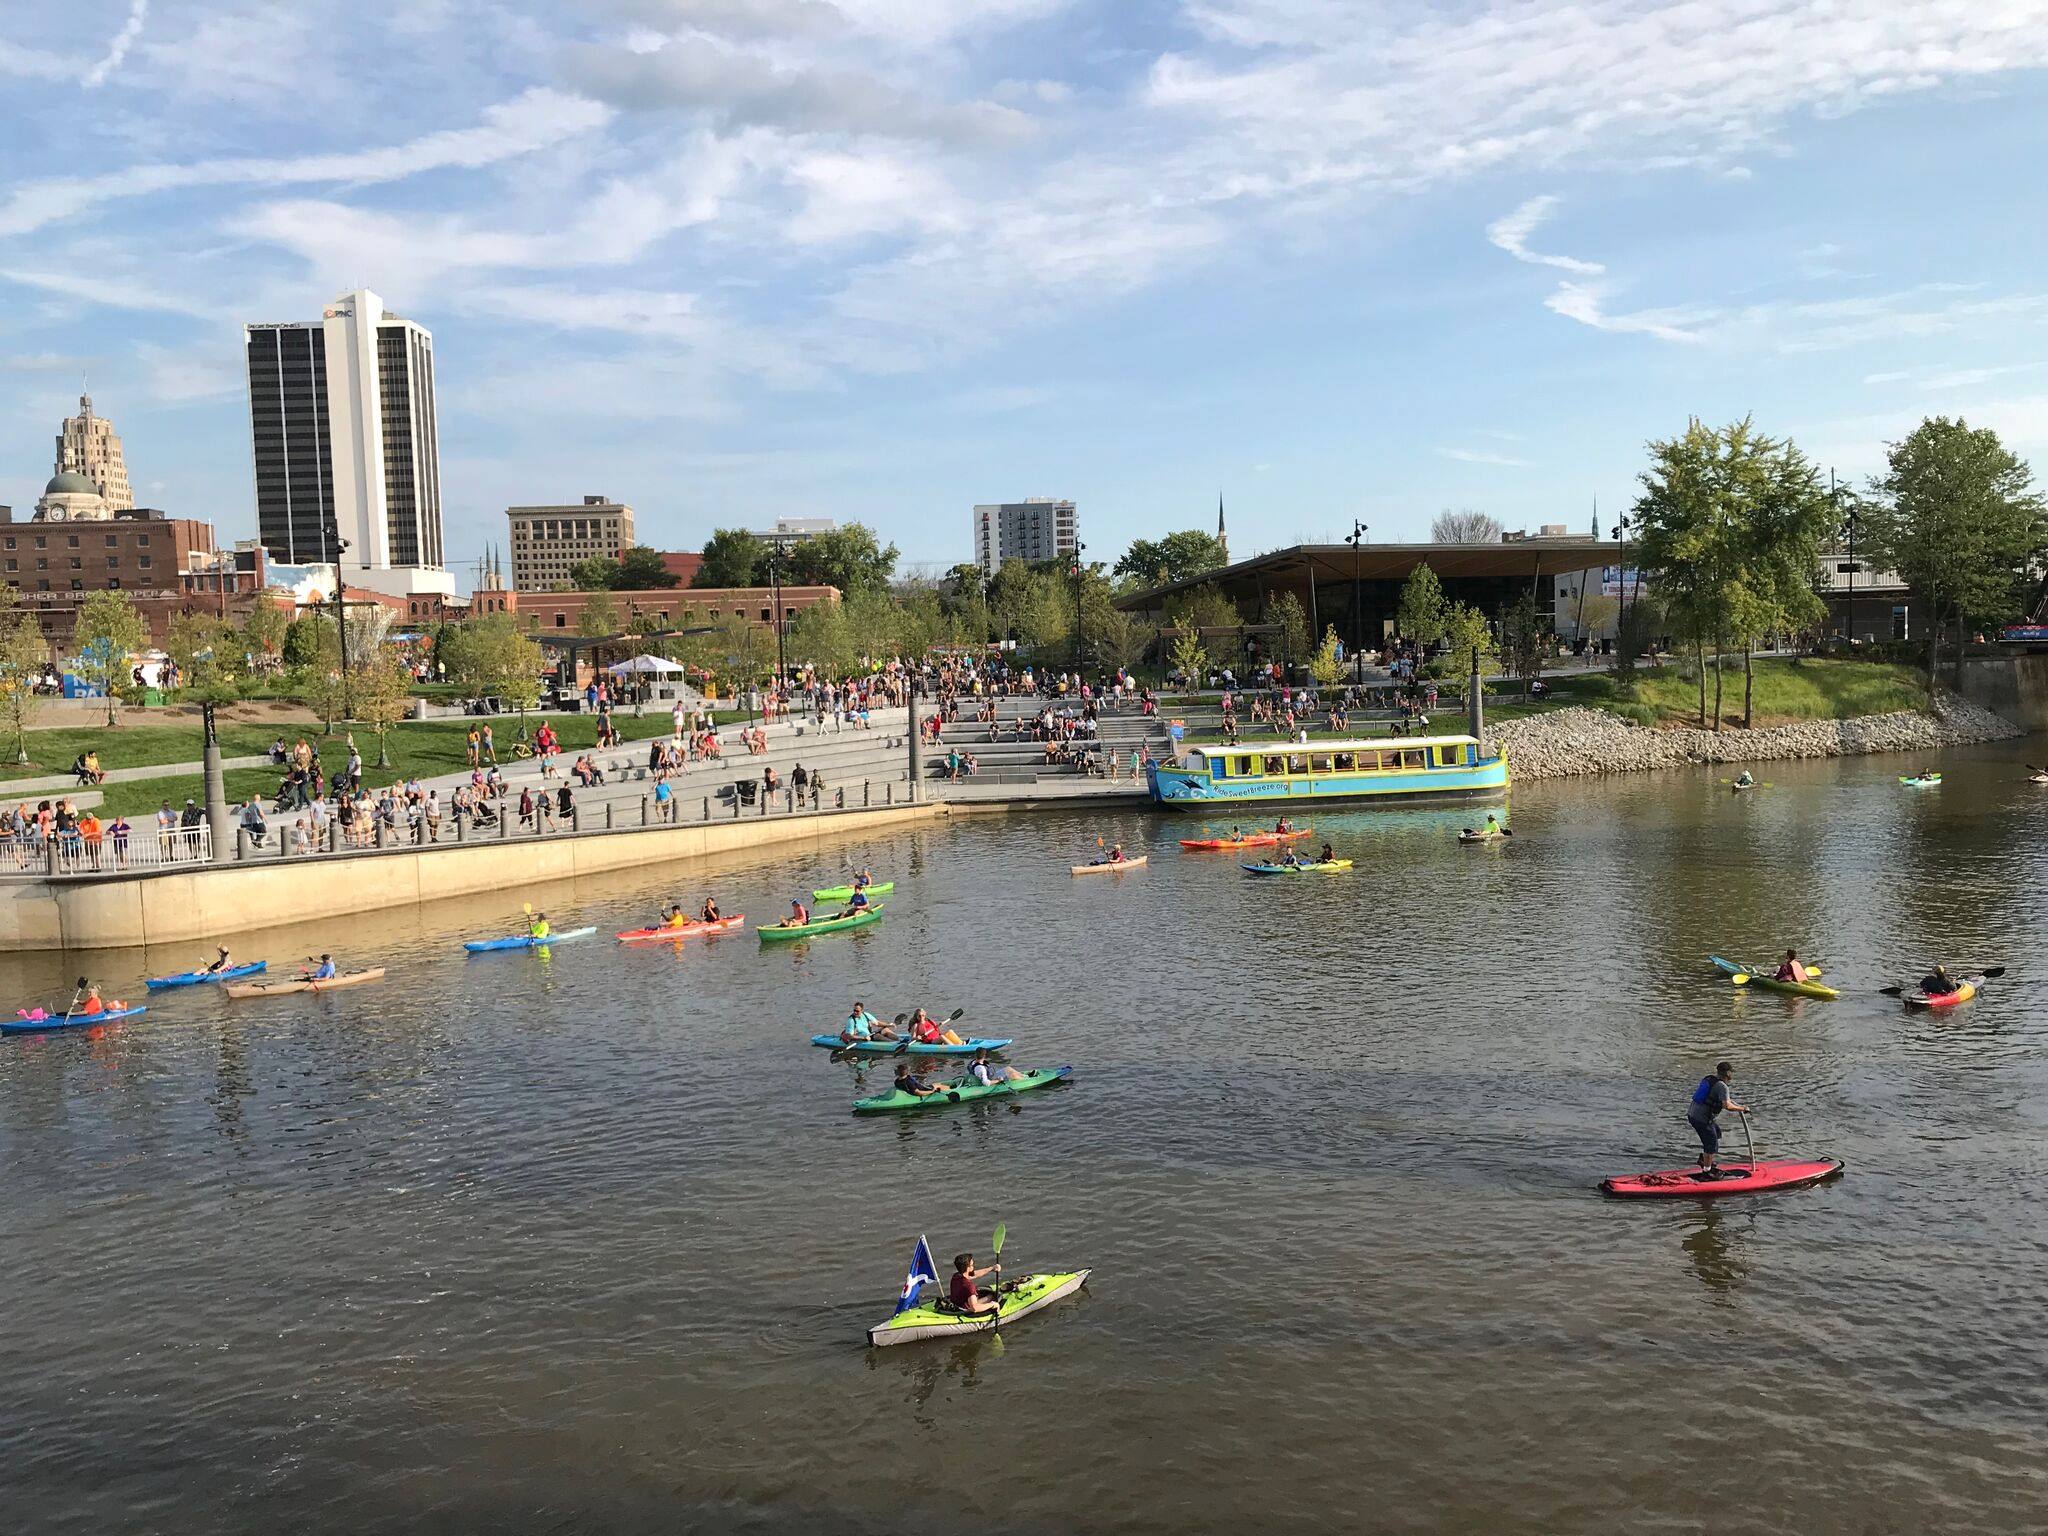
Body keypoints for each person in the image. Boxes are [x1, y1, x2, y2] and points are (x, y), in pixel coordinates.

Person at [1687, 1061, 1748, 1176]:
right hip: (1702, 1119)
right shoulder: (1722, 1086)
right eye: (1731, 1072)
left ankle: (1704, 1160)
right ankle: (1707, 1171)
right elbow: (1727, 1106)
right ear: (1728, 1073)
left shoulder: (1710, 1079)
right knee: (1711, 1143)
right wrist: (1742, 1108)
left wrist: (1735, 1104)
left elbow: (1719, 1098)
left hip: (1692, 1114)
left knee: (1717, 1133)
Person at [947, 1251, 1002, 1316]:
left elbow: (974, 1274)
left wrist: (991, 1268)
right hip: (965, 1309)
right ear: (968, 1268)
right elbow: (974, 1308)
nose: (973, 1267)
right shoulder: (969, 1286)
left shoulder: (956, 1276)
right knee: (991, 1297)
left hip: (957, 1304)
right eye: (972, 1265)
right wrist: (993, 1304)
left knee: (982, 1294)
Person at [962, 1049, 1026, 1086]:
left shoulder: (973, 1062)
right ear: (984, 1056)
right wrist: (998, 1080)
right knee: (1013, 1075)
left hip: (991, 1075)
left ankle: (1025, 1076)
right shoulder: (981, 1068)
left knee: (1008, 1068)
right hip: (991, 1079)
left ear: (975, 1055)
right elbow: (986, 1083)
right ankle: (1026, 1081)